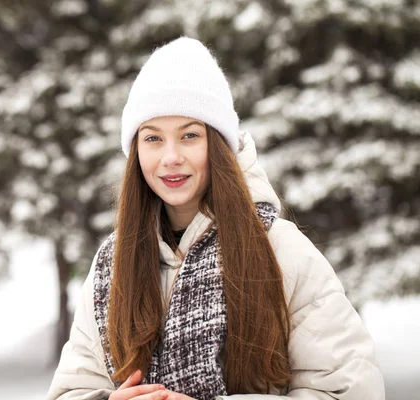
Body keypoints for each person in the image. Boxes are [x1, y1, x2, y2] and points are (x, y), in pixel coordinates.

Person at [46, 37, 385, 400]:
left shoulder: (282, 250)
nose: (170, 157)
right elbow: (73, 389)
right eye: (153, 138)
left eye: (190, 135)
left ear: (220, 145)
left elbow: (349, 390)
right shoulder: (111, 266)